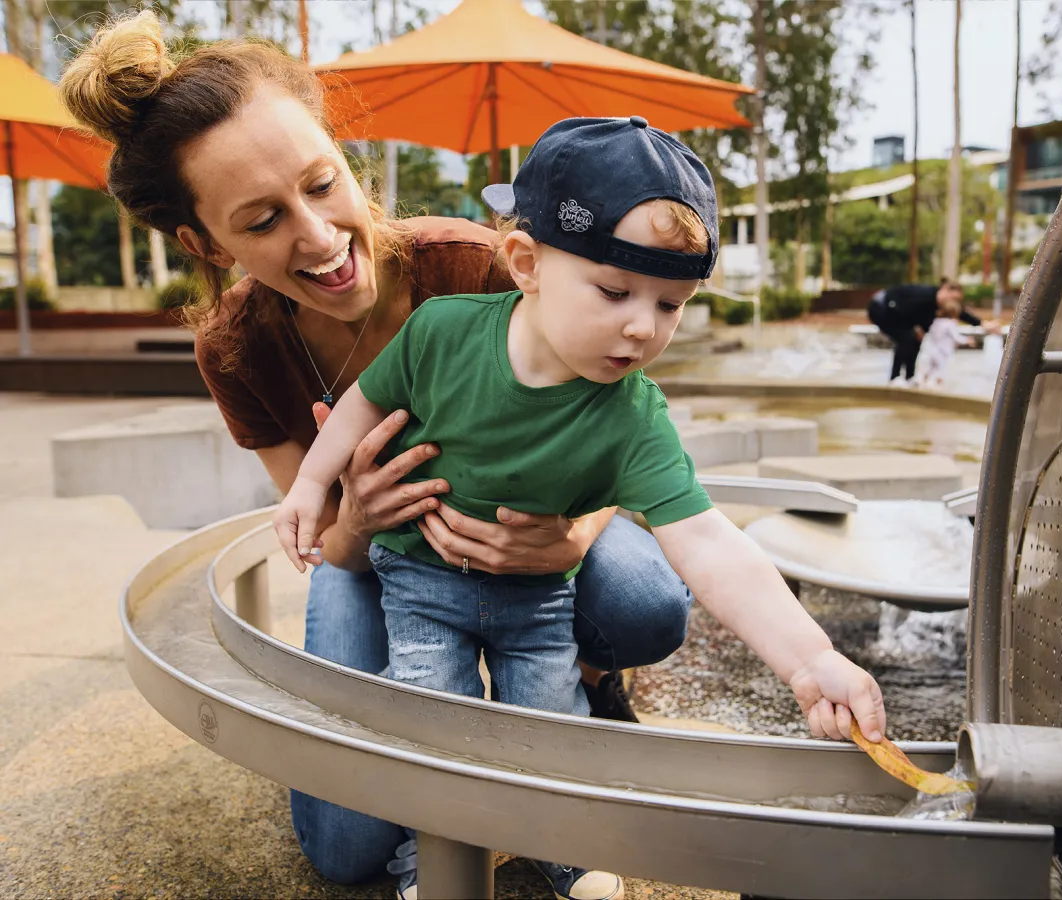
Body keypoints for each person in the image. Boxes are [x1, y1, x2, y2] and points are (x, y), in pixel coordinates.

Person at [58, 14, 713, 898]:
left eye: (323, 185)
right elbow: (322, 537)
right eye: (263, 220)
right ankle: (465, 713)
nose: (320, 236)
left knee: (645, 602)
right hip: (379, 560)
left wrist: (575, 535)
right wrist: (357, 522)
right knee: (344, 847)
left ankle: (581, 691)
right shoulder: (238, 350)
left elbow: (616, 424)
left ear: (342, 156)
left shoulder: (477, 267)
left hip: (532, 532)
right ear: (210, 246)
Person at [274, 115, 889, 900]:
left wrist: (811, 661)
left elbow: (707, 541)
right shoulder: (441, 334)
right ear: (526, 263)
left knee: (550, 725)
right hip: (423, 583)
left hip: (536, 602)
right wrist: (306, 489)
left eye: (671, 304)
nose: (643, 326)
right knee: (437, 716)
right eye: (615, 291)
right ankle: (438, 855)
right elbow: (361, 406)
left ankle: (559, 843)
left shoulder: (633, 414)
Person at [867, 280, 995, 383]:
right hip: (881, 308)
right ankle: (894, 378)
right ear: (945, 290)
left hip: (895, 312)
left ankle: (909, 377)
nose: (954, 302)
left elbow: (961, 313)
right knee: (907, 338)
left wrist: (982, 324)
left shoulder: (939, 304)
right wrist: (915, 328)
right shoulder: (923, 296)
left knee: (914, 340)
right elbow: (898, 308)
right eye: (953, 298)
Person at [913, 303, 971, 389]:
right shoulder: (950, 323)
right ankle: (938, 387)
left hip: (931, 350)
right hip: (943, 352)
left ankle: (922, 383)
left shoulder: (936, 321)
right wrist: (968, 340)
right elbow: (956, 337)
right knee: (941, 371)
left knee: (930, 368)